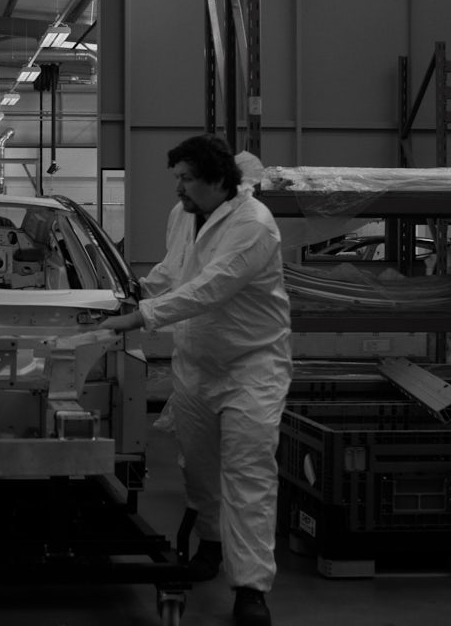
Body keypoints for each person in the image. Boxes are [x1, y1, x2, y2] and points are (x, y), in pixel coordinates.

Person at [100, 134, 291, 626]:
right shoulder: (183, 215)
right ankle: (211, 541)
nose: (178, 189)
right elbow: (176, 270)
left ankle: (251, 588)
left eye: (186, 179)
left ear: (216, 179)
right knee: (199, 467)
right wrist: (133, 292)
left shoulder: (254, 226)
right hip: (195, 364)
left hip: (251, 368)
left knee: (249, 473)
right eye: (177, 178)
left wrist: (143, 316)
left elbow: (212, 287)